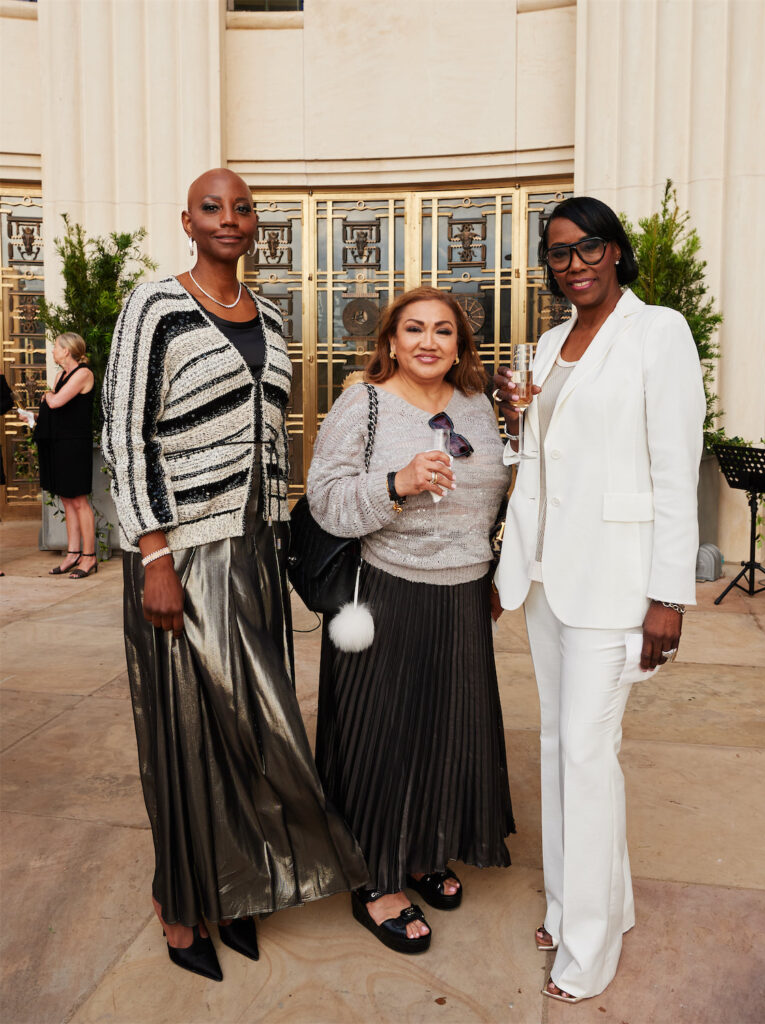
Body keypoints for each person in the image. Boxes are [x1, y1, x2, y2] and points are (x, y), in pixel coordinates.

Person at [102, 168, 367, 983]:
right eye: (212, 207)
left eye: (242, 207)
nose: (229, 218)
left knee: (253, 728)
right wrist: (153, 555)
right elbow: (124, 434)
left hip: (253, 548)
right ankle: (180, 902)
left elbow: (272, 436)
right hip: (179, 553)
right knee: (186, 732)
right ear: (188, 221)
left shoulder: (274, 316)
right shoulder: (155, 306)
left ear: (257, 225)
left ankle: (237, 886)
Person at [493, 196, 705, 1003]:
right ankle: (583, 903)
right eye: (556, 253)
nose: (572, 264)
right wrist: (520, 420)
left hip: (616, 583)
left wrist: (667, 596)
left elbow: (671, 470)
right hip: (548, 578)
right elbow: (539, 462)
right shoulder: (547, 343)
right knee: (559, 749)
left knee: (584, 755)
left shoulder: (659, 333)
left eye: (586, 248)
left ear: (615, 250)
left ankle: (586, 950)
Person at [307, 286, 514, 954]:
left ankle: (423, 851)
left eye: (443, 331)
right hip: (386, 590)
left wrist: (492, 567)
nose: (429, 342)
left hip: (462, 591)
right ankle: (376, 878)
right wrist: (396, 483)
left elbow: (503, 492)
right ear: (391, 341)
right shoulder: (361, 402)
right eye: (414, 329)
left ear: (460, 345)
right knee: (382, 738)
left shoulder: (479, 407)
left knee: (444, 732)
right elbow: (325, 502)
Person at [31, 333, 96, 578]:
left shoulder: (83, 374)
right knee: (67, 500)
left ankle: (89, 557)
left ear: (67, 350)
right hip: (60, 443)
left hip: (75, 445)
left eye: (56, 347)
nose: (53, 351)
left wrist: (45, 396)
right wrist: (36, 415)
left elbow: (56, 402)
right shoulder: (60, 375)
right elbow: (57, 411)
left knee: (79, 501)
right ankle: (72, 553)